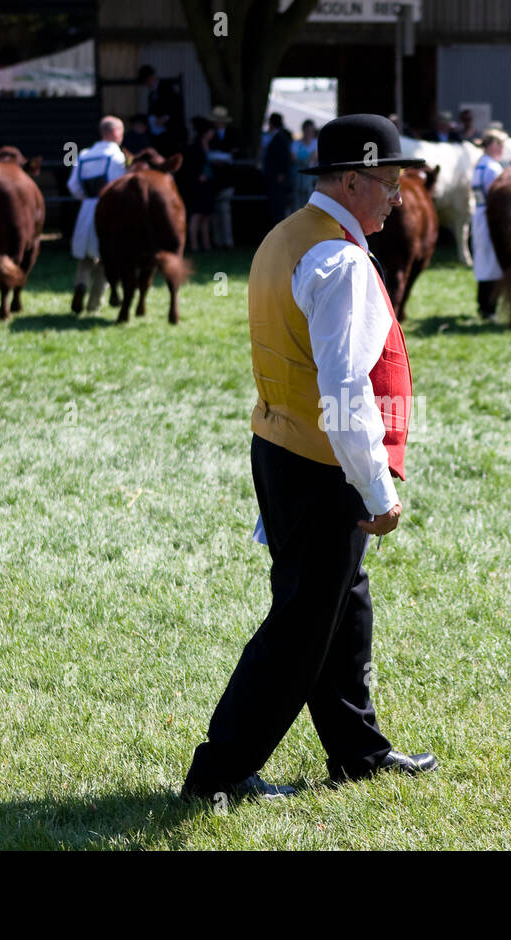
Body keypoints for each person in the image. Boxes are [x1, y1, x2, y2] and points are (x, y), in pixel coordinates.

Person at [180, 114, 436, 802]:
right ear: (351, 180)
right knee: (300, 625)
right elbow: (347, 391)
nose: (398, 198)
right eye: (389, 182)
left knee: (341, 605)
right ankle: (219, 774)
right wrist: (377, 490)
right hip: (325, 463)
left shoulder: (284, 237)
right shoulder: (344, 261)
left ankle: (358, 751)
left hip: (282, 448)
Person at [66, 116, 128, 314]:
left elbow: (72, 185)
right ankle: (94, 305)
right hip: (110, 211)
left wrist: (86, 198)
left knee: (85, 256)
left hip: (87, 207)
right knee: (105, 258)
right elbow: (120, 186)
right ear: (114, 133)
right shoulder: (118, 158)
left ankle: (81, 284)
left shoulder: (84, 155)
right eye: (121, 132)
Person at [471, 127, 506, 320]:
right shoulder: (492, 168)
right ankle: (489, 307)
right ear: (492, 145)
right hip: (491, 216)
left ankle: (484, 305)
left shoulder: (480, 165)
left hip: (479, 214)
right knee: (493, 261)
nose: (503, 149)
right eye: (500, 144)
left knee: (483, 261)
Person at [179, 116, 216, 252]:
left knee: (206, 215)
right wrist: (198, 176)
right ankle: (194, 244)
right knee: (196, 215)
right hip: (197, 186)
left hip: (207, 186)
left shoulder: (210, 146)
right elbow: (189, 167)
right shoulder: (193, 147)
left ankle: (206, 244)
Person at [206, 105, 241, 248]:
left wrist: (224, 156)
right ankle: (217, 240)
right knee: (214, 212)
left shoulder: (232, 134)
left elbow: (236, 150)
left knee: (225, 210)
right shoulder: (210, 135)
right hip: (214, 179)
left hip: (227, 179)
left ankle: (228, 241)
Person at [262, 112, 294, 225]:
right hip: (275, 179)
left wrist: (281, 173)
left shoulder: (279, 139)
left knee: (278, 209)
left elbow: (284, 158)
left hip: (277, 180)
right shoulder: (279, 137)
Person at [291, 119, 319, 207]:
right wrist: (309, 158)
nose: (309, 133)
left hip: (311, 179)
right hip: (298, 177)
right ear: (303, 130)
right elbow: (293, 158)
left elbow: (315, 157)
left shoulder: (316, 143)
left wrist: (304, 159)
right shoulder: (295, 143)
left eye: (311, 131)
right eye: (307, 131)